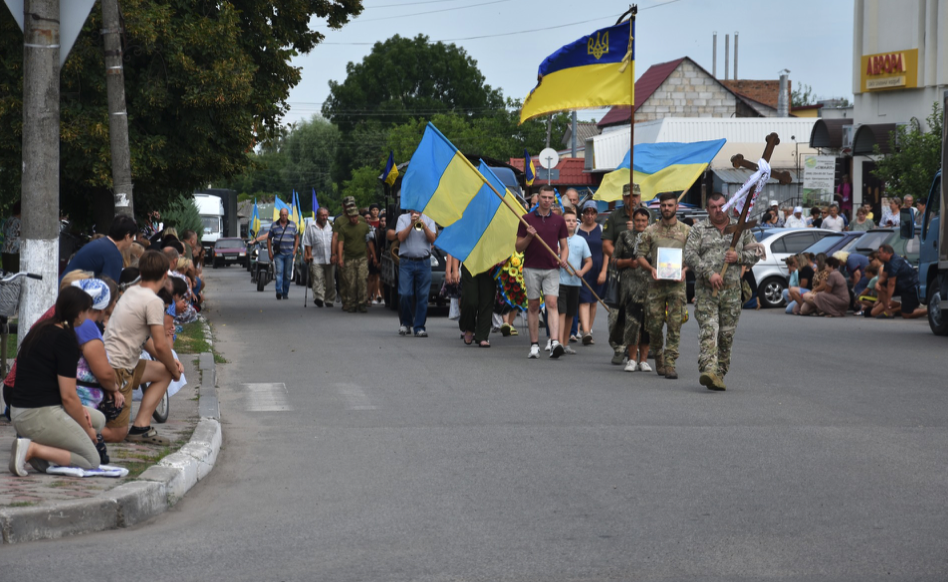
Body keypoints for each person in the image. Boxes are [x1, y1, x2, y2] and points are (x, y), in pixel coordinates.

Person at [8, 287, 107, 475]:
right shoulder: (65, 340)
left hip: (20, 411)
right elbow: (69, 397)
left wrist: (83, 416)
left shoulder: (42, 328)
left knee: (98, 420)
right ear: (78, 313)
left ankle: (40, 453)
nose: (87, 317)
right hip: (37, 414)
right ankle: (33, 450)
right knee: (91, 460)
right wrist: (86, 430)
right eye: (86, 311)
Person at [102, 250, 182, 444]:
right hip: (119, 368)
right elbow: (161, 345)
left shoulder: (132, 291)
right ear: (165, 274)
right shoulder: (153, 301)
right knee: (117, 434)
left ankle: (141, 426)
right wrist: (174, 367)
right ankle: (77, 429)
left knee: (164, 372)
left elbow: (147, 341)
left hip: (117, 361)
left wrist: (172, 365)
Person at [684, 192, 760, 391]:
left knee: (726, 335)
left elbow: (758, 252)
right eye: (714, 207)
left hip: (732, 292)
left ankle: (719, 373)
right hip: (706, 290)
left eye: (722, 206)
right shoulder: (699, 229)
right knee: (709, 329)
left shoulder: (740, 228)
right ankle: (708, 369)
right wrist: (709, 273)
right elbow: (690, 254)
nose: (719, 210)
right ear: (707, 209)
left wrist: (739, 257)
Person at [636, 192, 690, 379]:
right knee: (654, 325)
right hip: (655, 284)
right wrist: (650, 268)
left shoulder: (686, 231)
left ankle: (670, 363)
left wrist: (685, 270)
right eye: (663, 205)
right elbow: (640, 255)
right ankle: (658, 356)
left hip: (677, 285)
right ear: (660, 207)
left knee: (675, 325)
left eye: (670, 205)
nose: (666, 208)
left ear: (676, 206)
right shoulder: (650, 231)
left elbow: (694, 256)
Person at [516, 185, 569, 359]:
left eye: (550, 198)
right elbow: (518, 248)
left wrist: (564, 258)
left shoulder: (559, 221)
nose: (547, 201)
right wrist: (530, 236)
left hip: (552, 268)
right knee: (533, 306)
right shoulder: (526, 219)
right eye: (544, 197)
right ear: (537, 198)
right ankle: (534, 345)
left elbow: (564, 246)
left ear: (554, 199)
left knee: (552, 303)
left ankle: (554, 342)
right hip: (531, 268)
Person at [602, 183, 640, 365]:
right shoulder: (615, 217)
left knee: (640, 313)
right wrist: (620, 258)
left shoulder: (649, 216)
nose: (631, 199)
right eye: (627, 196)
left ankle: (637, 348)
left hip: (642, 273)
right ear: (623, 197)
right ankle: (618, 347)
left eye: (635, 196)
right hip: (619, 272)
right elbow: (606, 244)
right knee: (616, 313)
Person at [613, 208, 652, 372]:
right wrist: (628, 262)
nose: (641, 223)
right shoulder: (624, 236)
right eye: (638, 220)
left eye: (644, 220)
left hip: (650, 286)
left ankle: (644, 360)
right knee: (631, 323)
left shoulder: (653, 237)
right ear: (633, 221)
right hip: (629, 286)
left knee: (647, 324)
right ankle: (632, 358)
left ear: (648, 221)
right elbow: (614, 260)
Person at [557, 208, 592, 354]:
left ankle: (565, 344)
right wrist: (557, 258)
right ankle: (557, 342)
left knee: (571, 313)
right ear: (562, 222)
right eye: (567, 220)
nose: (571, 223)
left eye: (573, 221)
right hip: (559, 281)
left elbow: (589, 261)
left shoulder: (581, 240)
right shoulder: (557, 239)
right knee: (561, 312)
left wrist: (582, 271)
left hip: (575, 282)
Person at [62, 214, 138, 282]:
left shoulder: (100, 244)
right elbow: (110, 289)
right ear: (127, 236)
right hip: (72, 294)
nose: (132, 241)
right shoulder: (113, 255)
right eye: (133, 237)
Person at [395, 209, 436, 336]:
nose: (417, 209)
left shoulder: (429, 219)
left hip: (424, 262)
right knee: (405, 293)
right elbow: (400, 237)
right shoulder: (402, 218)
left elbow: (433, 240)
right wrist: (411, 224)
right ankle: (406, 323)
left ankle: (419, 327)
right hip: (406, 262)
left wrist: (424, 227)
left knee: (423, 296)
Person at [576, 201, 607, 345]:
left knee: (593, 300)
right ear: (582, 215)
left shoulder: (601, 229)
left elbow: (606, 252)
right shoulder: (577, 229)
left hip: (598, 270)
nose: (589, 216)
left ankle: (588, 327)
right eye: (586, 213)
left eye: (592, 213)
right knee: (584, 300)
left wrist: (604, 271)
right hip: (582, 270)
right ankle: (586, 332)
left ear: (596, 214)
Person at [337, 204, 376, 314]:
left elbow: (369, 242)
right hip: (349, 258)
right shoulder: (344, 229)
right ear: (348, 217)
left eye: (355, 216)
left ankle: (362, 303)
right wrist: (340, 258)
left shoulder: (364, 227)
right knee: (351, 282)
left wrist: (374, 256)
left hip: (362, 257)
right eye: (351, 216)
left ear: (358, 216)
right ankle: (352, 303)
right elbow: (340, 243)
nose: (353, 218)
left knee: (362, 280)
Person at [874, 243, 926, 319]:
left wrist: (889, 299)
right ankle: (888, 312)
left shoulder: (894, 262)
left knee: (906, 315)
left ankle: (929, 310)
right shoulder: (888, 261)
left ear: (887, 253)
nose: (878, 255)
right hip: (901, 286)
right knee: (880, 287)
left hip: (911, 289)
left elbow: (891, 283)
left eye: (880, 253)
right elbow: (884, 276)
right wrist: (877, 283)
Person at [302, 207, 335, 308]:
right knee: (317, 278)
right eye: (322, 216)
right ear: (317, 216)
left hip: (330, 257)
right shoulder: (310, 227)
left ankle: (329, 300)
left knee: (330, 281)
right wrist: (309, 254)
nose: (324, 217)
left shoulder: (332, 226)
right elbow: (307, 242)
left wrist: (335, 254)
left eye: (326, 215)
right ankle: (319, 298)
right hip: (316, 258)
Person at [267, 208, 299, 301]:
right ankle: (278, 291)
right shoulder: (274, 225)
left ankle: (285, 293)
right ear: (279, 215)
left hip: (289, 253)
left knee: (287, 274)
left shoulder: (292, 225)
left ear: (287, 215)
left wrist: (294, 251)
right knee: (279, 272)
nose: (284, 217)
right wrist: (270, 252)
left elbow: (297, 238)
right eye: (282, 215)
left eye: (285, 215)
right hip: (278, 254)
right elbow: (269, 239)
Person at [2, 200, 21, 273]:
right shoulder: (19, 223)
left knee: (6, 275)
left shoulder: (8, 220)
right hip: (14, 253)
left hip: (5, 250)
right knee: (14, 276)